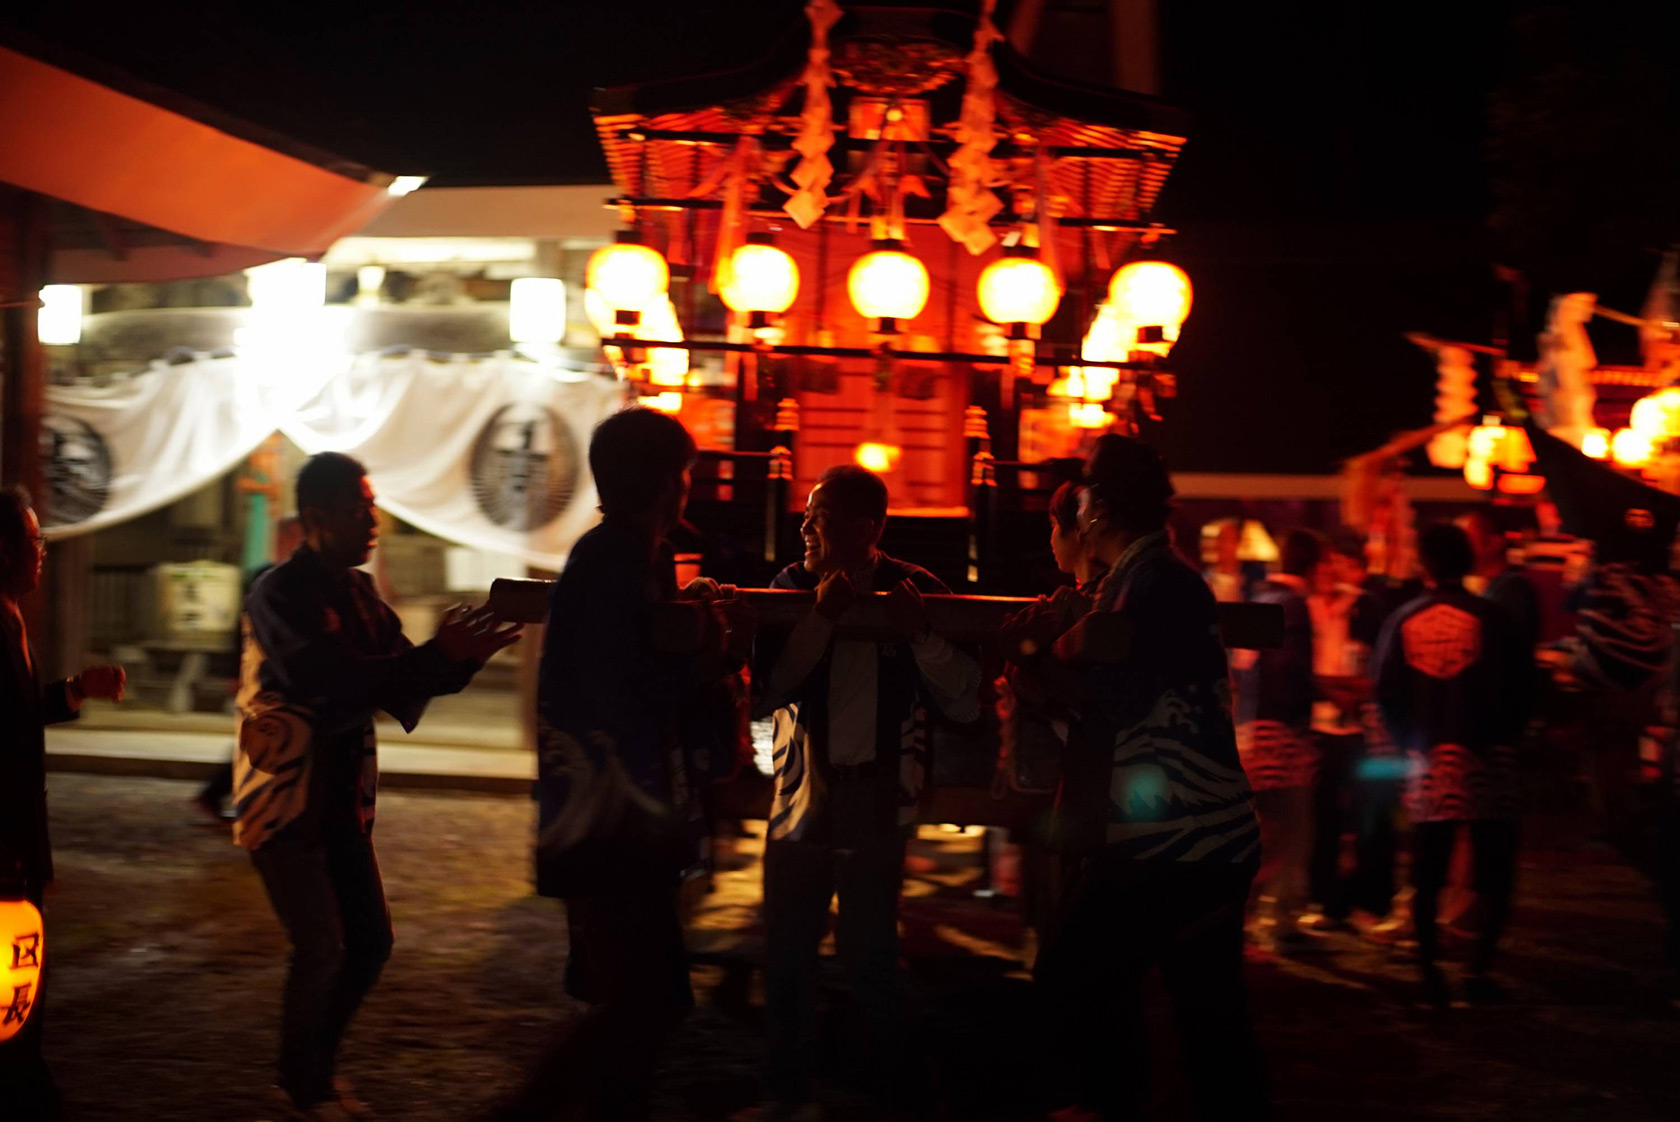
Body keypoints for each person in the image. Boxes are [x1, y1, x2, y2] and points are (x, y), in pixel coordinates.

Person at [233, 453, 520, 1120]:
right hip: (286, 797)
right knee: (322, 948)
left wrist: (463, 656)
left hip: (341, 798)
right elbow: (330, 679)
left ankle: (311, 1074)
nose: (373, 520)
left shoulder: (359, 594)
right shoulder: (278, 593)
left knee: (368, 944)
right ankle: (304, 1086)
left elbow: (399, 675)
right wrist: (439, 657)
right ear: (316, 517)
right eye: (359, 507)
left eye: (372, 506)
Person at [483, 408, 747, 1122]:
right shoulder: (614, 561)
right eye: (684, 476)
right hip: (609, 814)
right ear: (666, 486)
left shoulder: (623, 557)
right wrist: (710, 655)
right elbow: (626, 688)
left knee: (642, 997)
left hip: (611, 810)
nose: (687, 490)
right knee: (648, 1000)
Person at [1002, 434, 1265, 1122]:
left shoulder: (1155, 583)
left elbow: (1117, 703)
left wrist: (1035, 660)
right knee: (1202, 1010)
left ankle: (1108, 1102)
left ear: (1099, 508)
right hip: (1197, 832)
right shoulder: (1144, 577)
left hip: (1175, 837)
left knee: (1076, 972)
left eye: (1085, 491)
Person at [753, 464, 980, 1117]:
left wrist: (920, 633)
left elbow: (966, 702)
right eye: (806, 514)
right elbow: (768, 692)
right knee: (788, 948)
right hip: (801, 788)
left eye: (818, 516)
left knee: (868, 951)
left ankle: (897, 1088)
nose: (803, 527)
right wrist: (822, 617)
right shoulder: (791, 587)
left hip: (877, 794)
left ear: (866, 529)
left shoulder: (914, 590)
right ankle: (788, 1089)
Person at [0, 488, 125, 1120]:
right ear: (3, 550)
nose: (42, 551)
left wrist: (77, 688)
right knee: (12, 996)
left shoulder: (10, 617)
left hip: (16, 846)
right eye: (34, 541)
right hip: (3, 849)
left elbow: (20, 717)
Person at [1374, 522, 1523, 1008]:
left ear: (1425, 565)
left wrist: (1407, 746)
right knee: (1493, 870)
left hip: (1429, 760)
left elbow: (1386, 692)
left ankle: (1429, 973)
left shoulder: (1403, 619)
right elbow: (1522, 688)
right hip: (1490, 757)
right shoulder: (1495, 617)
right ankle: (1478, 970)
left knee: (1428, 869)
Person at [1235, 528, 1322, 952]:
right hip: (1280, 733)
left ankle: (1256, 917)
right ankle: (1270, 919)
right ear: (1316, 567)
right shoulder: (1294, 605)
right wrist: (1306, 711)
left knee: (1266, 829)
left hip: (1249, 728)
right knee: (1287, 830)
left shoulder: (1260, 599)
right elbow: (1290, 672)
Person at [1300, 528, 1387, 931]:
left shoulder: (1367, 608)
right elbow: (1300, 669)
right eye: (1324, 563)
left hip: (1361, 730)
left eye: (1336, 562)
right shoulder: (1305, 608)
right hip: (1318, 728)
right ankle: (1326, 901)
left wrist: (1335, 687)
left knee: (1368, 816)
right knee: (1323, 818)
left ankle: (1370, 901)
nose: (1329, 570)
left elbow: (1377, 673)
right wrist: (1331, 688)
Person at [195, 515, 304, 824]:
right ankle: (220, 794)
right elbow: (242, 629)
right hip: (264, 673)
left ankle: (237, 798)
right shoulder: (264, 578)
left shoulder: (296, 579)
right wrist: (236, 671)